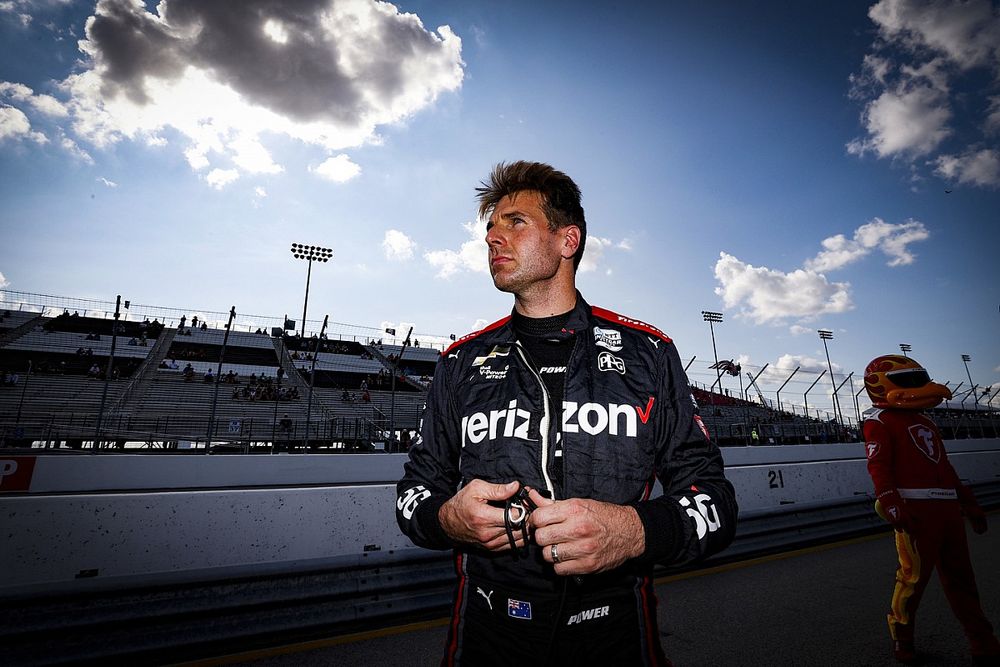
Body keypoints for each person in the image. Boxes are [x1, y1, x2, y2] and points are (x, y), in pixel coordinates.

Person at [396, 161, 737, 666]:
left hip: (616, 633)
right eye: (490, 227)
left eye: (515, 222)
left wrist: (635, 530)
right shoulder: (461, 361)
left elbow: (714, 500)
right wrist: (445, 517)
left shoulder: (649, 353)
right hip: (487, 634)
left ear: (567, 240)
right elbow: (413, 493)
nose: (493, 238)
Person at [862, 354, 1000, 665]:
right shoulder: (878, 421)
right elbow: (878, 466)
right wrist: (892, 502)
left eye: (920, 379)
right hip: (916, 512)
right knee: (912, 581)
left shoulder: (926, 422)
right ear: (880, 385)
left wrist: (968, 502)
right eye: (910, 381)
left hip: (947, 510)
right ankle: (903, 636)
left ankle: (983, 641)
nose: (921, 386)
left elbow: (944, 466)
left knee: (963, 580)